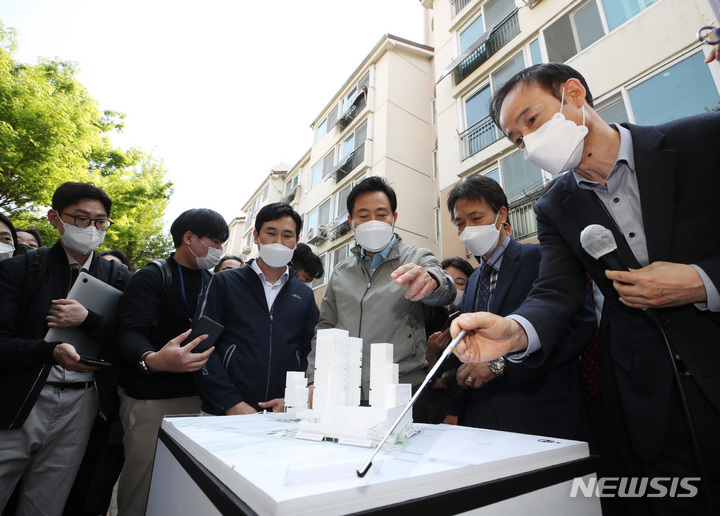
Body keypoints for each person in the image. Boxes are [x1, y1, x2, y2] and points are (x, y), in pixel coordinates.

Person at [451, 63, 720, 513]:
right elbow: (556, 292)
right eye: (517, 140)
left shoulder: (702, 139)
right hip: (650, 399)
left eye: (531, 121)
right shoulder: (555, 206)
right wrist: (514, 331)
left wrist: (701, 281)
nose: (528, 143)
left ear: (574, 94)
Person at [0, 182, 131, 516]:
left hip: (84, 401)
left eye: (100, 221)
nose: (91, 228)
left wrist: (89, 319)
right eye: (81, 218)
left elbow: (128, 337)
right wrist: (49, 352)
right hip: (20, 401)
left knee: (47, 502)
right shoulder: (20, 269)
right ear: (55, 218)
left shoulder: (118, 277)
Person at [441, 175, 595, 441]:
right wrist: (456, 405)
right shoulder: (474, 279)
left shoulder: (542, 258)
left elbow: (576, 324)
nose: (467, 229)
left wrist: (501, 365)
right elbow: (466, 350)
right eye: (460, 223)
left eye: (476, 219)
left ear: (502, 215)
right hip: (481, 419)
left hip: (540, 413)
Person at [115, 208, 228, 516]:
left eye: (223, 243)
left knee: (180, 487)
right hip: (153, 400)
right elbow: (129, 333)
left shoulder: (214, 281)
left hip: (201, 398)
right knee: (144, 482)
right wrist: (152, 360)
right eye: (214, 241)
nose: (219, 250)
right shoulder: (153, 276)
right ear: (188, 238)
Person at [306, 176, 455, 405]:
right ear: (351, 221)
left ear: (394, 218)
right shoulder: (340, 272)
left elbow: (446, 289)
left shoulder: (416, 257)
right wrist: (315, 377)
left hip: (404, 390)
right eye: (363, 216)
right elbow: (325, 328)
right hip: (346, 393)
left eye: (381, 214)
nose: (373, 221)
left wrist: (432, 281)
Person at [193, 203, 317, 415]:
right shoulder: (225, 282)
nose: (279, 241)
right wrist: (230, 403)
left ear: (296, 242)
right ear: (256, 237)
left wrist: (293, 400)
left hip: (282, 413)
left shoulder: (304, 294)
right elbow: (200, 345)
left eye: (287, 235)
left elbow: (309, 352)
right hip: (225, 413)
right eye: (271, 233)